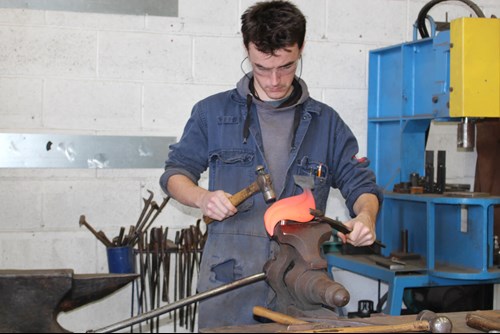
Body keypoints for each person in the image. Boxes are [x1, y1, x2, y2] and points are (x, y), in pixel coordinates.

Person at [160, 0, 383, 329]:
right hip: (230, 280)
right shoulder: (211, 113)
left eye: (287, 66)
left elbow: (361, 186)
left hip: (302, 279)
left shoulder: (327, 123)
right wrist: (202, 198)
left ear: (301, 48)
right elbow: (175, 174)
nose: (275, 80)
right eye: (262, 68)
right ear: (247, 49)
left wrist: (365, 216)